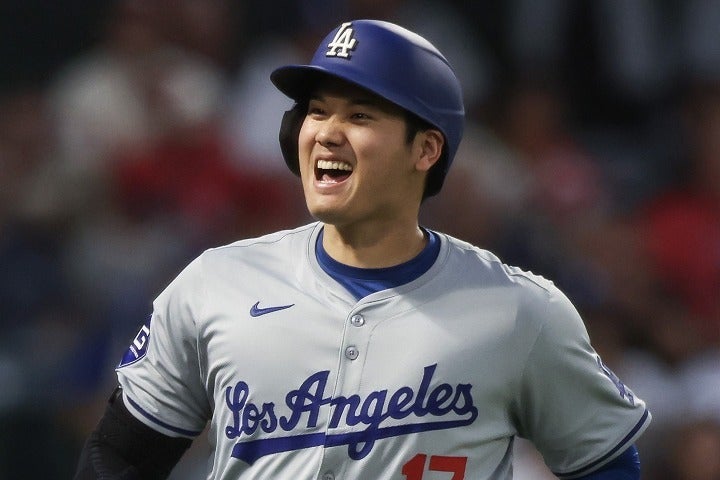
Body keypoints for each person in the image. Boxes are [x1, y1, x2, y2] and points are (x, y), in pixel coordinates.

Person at [74, 19, 651, 479]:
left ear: (425, 149)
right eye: (317, 111)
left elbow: (606, 464)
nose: (325, 131)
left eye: (359, 115)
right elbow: (117, 459)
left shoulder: (520, 311)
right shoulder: (215, 285)